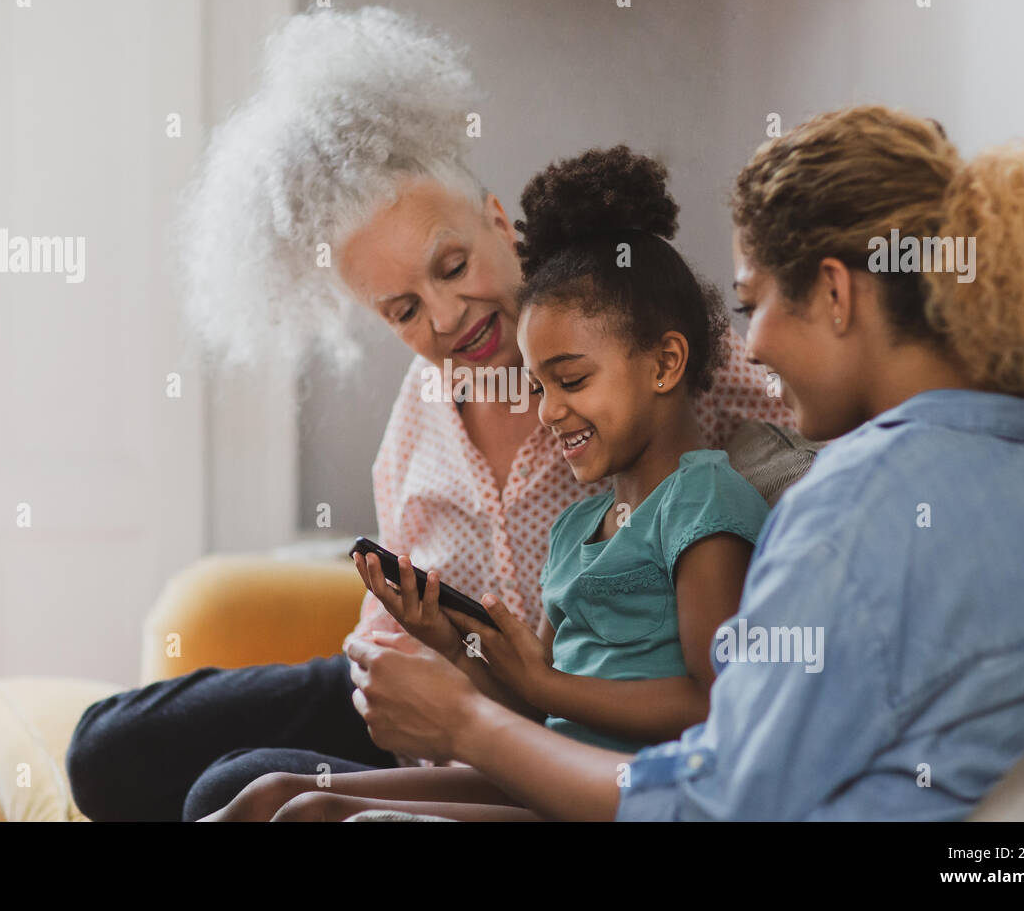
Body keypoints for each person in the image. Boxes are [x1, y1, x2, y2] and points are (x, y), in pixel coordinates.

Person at [64, 7, 792, 822]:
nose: (443, 319)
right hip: (404, 686)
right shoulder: (421, 407)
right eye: (403, 310)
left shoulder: (646, 355)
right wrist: (410, 649)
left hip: (511, 719)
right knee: (104, 748)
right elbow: (394, 622)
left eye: (451, 266)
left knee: (232, 789)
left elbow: (795, 434)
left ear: (498, 221)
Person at [341, 104, 1024, 821]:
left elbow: (712, 803)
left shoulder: (849, 517)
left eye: (753, 304)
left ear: (835, 294)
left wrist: (467, 726)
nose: (750, 345)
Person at [205, 146, 773, 821]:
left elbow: (717, 707)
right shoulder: (576, 530)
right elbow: (531, 705)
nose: (546, 410)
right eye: (537, 386)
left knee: (312, 812)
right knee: (262, 796)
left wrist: (543, 685)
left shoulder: (703, 501)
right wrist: (451, 642)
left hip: (617, 785)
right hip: (529, 755)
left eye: (571, 381)